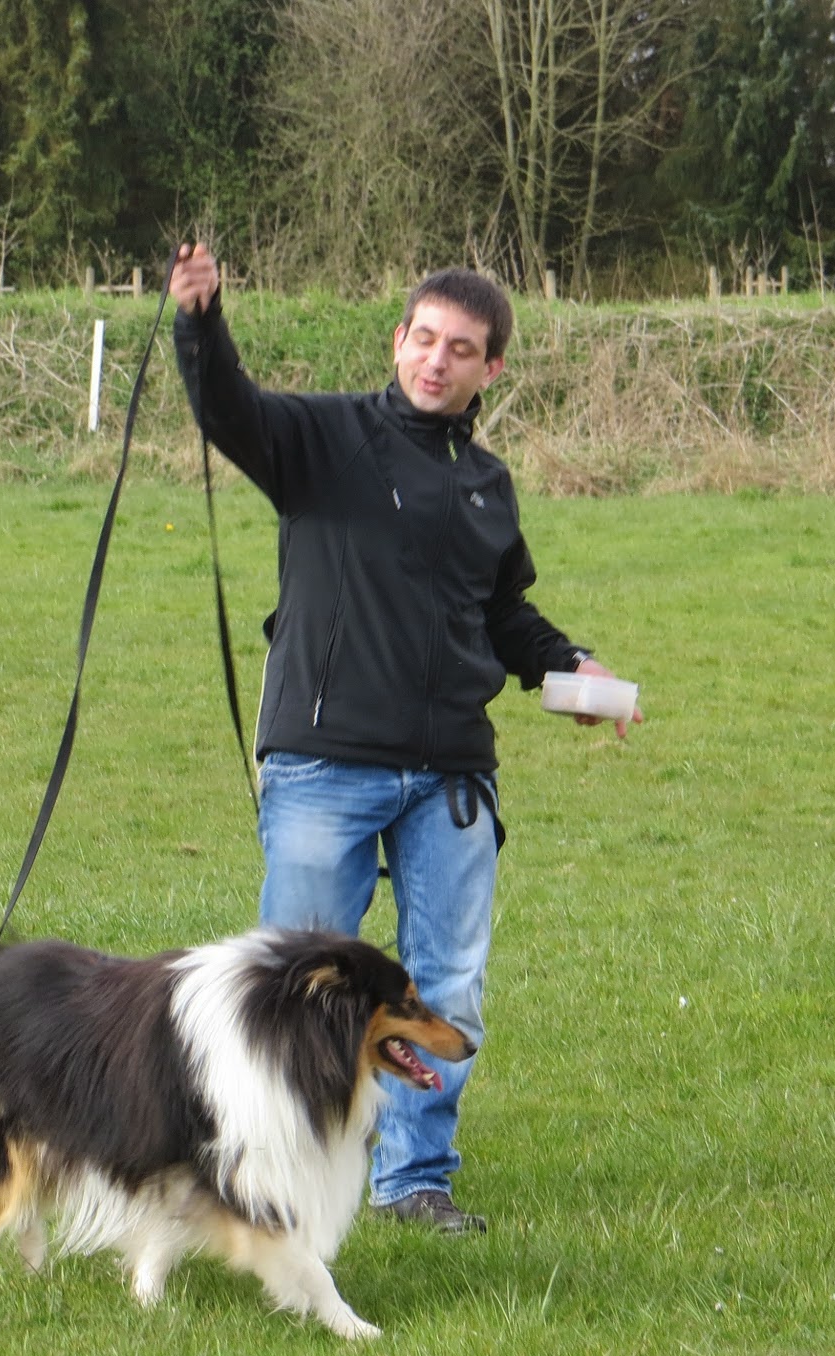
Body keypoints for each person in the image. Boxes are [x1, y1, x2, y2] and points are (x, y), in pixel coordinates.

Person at [169, 246, 640, 1233]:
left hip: (450, 777)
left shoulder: (487, 485)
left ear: (489, 368)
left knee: (449, 983)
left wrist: (574, 667)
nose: (436, 360)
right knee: (294, 984)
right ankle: (270, 1170)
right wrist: (200, 321)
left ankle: (413, 1179)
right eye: (423, 339)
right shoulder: (321, 438)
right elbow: (227, 409)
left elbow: (500, 614)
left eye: (460, 349)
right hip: (323, 763)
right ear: (397, 342)